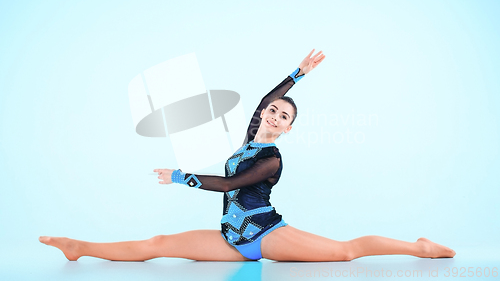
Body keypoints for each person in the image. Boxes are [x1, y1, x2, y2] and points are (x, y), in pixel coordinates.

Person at [39, 49, 456, 262]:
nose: (275, 114)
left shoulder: (270, 159)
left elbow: (229, 185)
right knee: (159, 243)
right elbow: (265, 98)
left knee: (345, 252)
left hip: (265, 235)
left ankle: (418, 247)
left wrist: (182, 177)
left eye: (283, 115)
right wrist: (296, 75)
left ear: (288, 128)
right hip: (230, 239)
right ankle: (81, 247)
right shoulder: (248, 141)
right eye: (273, 110)